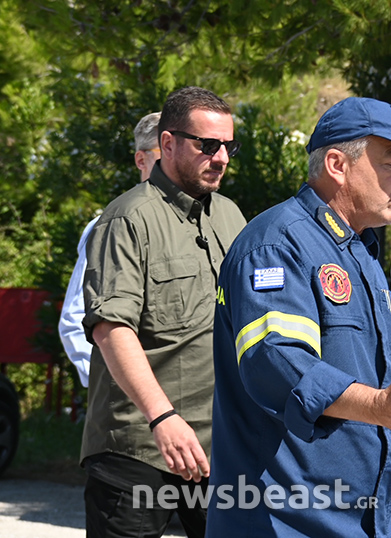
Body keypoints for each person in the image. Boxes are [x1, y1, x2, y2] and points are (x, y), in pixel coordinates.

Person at [206, 97, 391, 538]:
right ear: (337, 164)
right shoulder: (276, 244)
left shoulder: (359, 250)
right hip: (287, 522)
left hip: (368, 520)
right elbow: (278, 363)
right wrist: (382, 408)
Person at [80, 87, 247, 538]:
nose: (222, 157)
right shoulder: (127, 219)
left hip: (217, 447)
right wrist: (162, 417)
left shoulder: (231, 216)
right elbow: (112, 330)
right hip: (139, 447)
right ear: (168, 144)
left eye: (229, 146)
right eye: (207, 145)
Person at [59, 111, 162, 387]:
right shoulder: (111, 223)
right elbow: (74, 320)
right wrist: (120, 388)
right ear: (141, 159)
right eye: (165, 152)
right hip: (134, 410)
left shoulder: (202, 221)